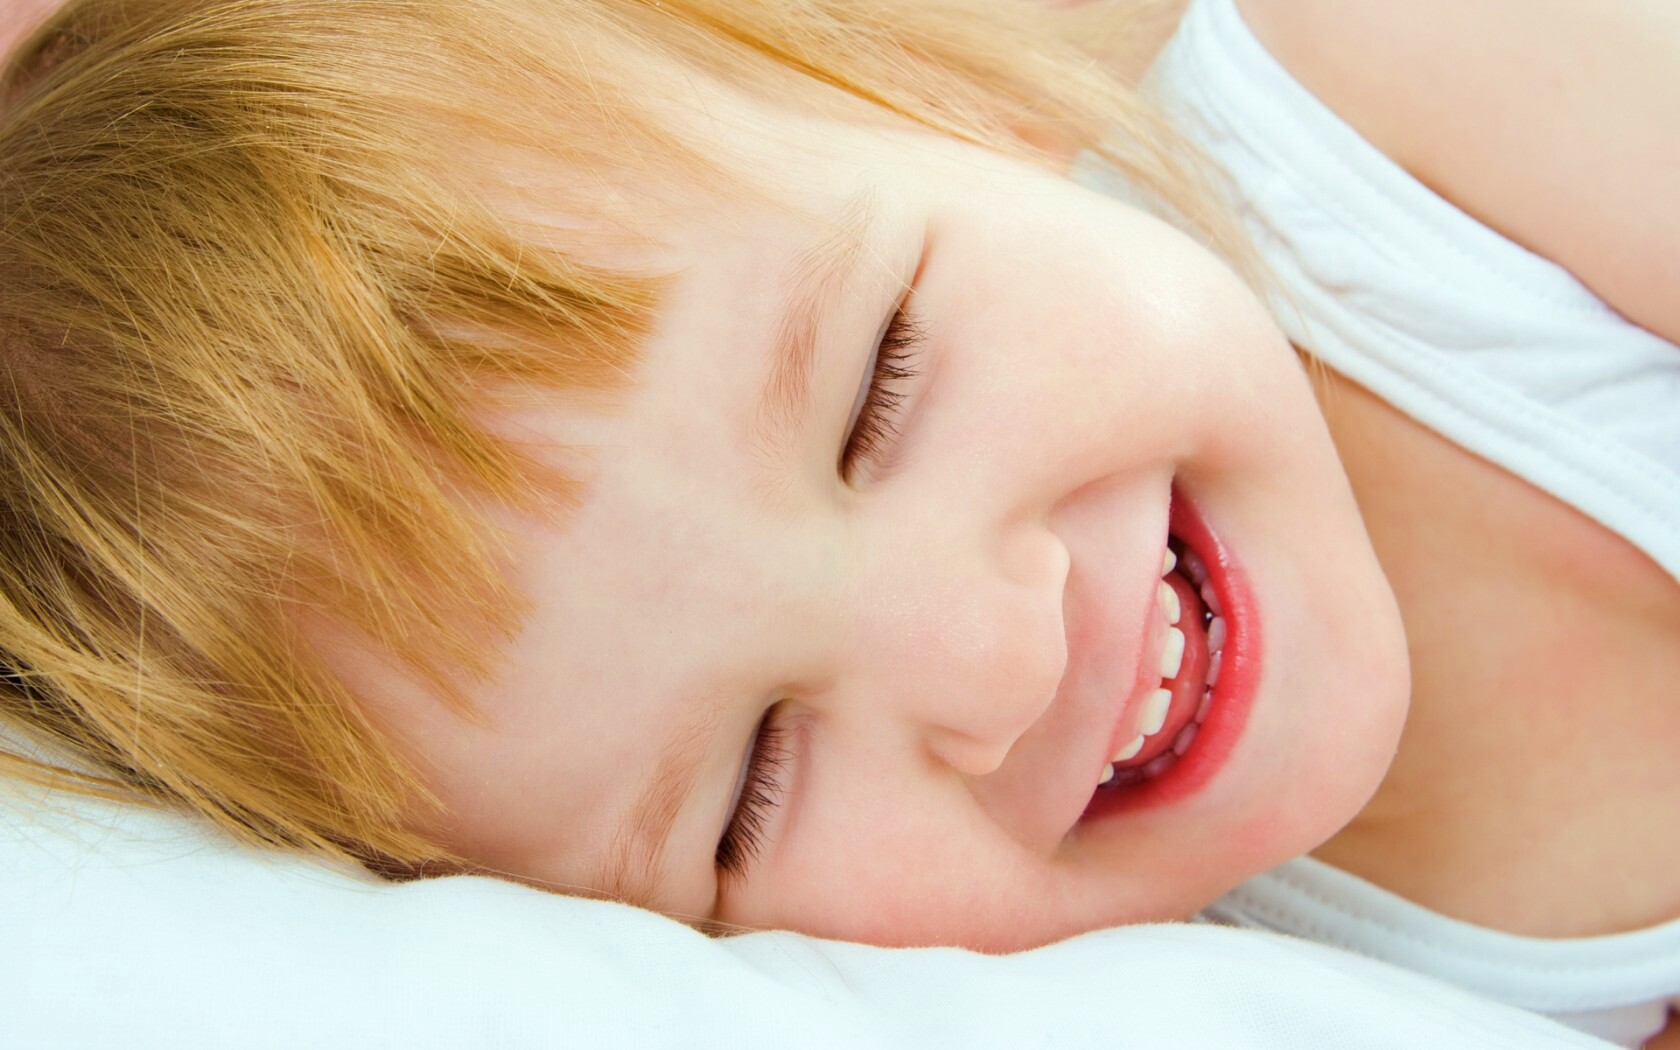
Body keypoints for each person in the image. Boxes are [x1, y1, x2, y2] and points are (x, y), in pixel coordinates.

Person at [1, 0, 1675, 1043]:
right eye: (751, 784)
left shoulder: (1398, 108)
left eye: (882, 384)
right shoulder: (1224, 994)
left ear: (924, 86)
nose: (999, 655)